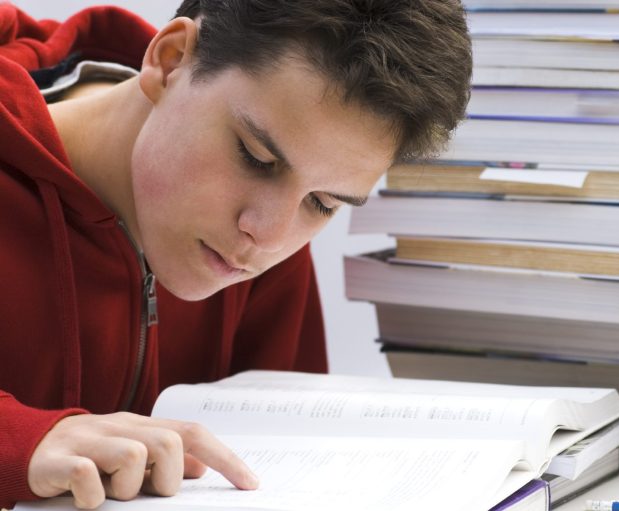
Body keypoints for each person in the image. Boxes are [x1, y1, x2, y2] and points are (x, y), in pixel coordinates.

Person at [0, 0, 472, 508]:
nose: (268, 236)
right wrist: (20, 441)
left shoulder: (262, 244)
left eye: (323, 203)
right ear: (172, 60)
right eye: (256, 158)